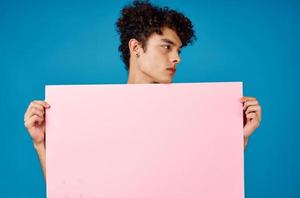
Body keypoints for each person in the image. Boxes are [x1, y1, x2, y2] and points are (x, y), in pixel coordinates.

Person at [24, 0, 262, 180]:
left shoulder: (190, 115)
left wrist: (238, 137)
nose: (176, 58)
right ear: (136, 47)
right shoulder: (95, 113)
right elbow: (71, 189)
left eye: (179, 50)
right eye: (167, 47)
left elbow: (212, 182)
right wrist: (40, 144)